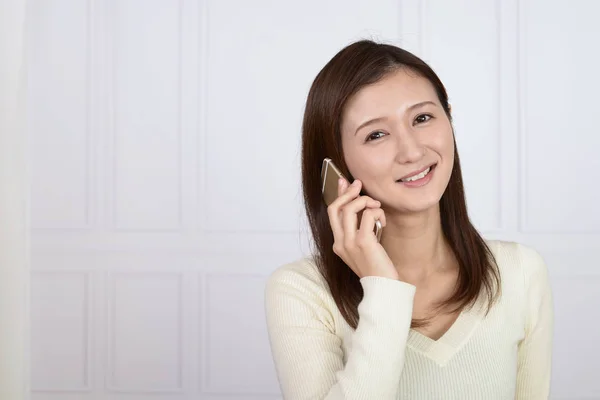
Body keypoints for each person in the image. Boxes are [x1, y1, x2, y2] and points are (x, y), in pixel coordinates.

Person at [264, 39, 553, 400]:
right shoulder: (302, 291)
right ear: (335, 165)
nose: (413, 150)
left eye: (422, 118)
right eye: (376, 134)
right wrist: (382, 286)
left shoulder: (520, 272)